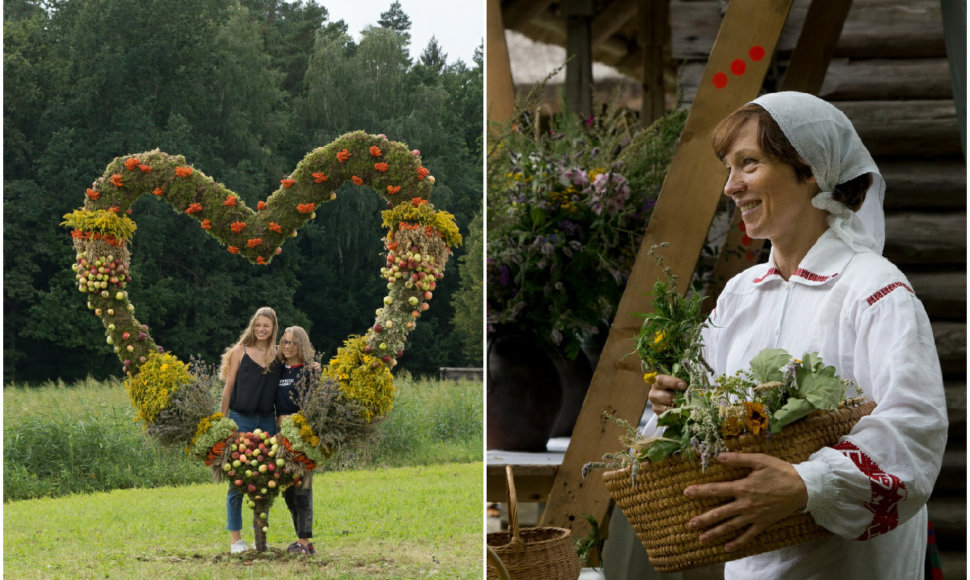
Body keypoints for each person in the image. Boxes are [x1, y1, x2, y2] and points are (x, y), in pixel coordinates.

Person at [644, 92, 947, 578]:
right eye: (728, 168)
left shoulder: (875, 289)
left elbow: (914, 428)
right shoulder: (741, 294)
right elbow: (713, 426)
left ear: (811, 170)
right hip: (753, 563)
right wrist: (678, 405)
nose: (730, 187)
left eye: (748, 164)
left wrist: (809, 484)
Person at [219, 306, 282, 554]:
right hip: (240, 419)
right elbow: (228, 388)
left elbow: (297, 369)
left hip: (267, 421)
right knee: (236, 479)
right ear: (253, 327)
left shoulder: (278, 355)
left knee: (265, 480)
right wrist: (222, 422)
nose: (262, 329)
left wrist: (314, 369)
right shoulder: (239, 352)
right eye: (258, 325)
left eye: (266, 325)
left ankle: (259, 537)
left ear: (273, 328)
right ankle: (236, 540)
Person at [275, 325, 320, 556]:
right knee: (288, 489)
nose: (287, 346)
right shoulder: (280, 370)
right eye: (284, 342)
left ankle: (305, 541)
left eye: (292, 342)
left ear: (301, 345)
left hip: (300, 435)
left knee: (302, 487)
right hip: (280, 433)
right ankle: (300, 540)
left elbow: (315, 406)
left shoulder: (309, 371)